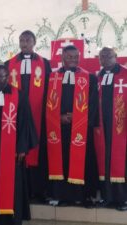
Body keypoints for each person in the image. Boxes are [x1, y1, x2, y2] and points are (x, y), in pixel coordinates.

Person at [0, 65, 37, 225]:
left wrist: (22, 148)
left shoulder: (19, 95)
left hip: (11, 148)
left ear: (8, 77)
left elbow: (25, 123)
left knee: (11, 182)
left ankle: (11, 217)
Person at [45, 45, 98, 207]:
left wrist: (78, 117)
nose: (74, 60)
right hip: (59, 127)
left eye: (76, 57)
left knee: (84, 161)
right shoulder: (52, 77)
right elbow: (47, 103)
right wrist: (59, 117)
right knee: (61, 160)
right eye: (70, 57)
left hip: (81, 127)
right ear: (62, 58)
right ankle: (62, 195)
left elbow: (94, 104)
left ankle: (85, 196)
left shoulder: (89, 77)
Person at [5, 30, 51, 200]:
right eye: (22, 40)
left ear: (34, 42)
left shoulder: (44, 63)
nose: (24, 43)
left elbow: (48, 89)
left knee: (37, 148)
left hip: (38, 111)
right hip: (16, 114)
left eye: (28, 40)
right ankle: (20, 190)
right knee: (18, 146)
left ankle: (37, 190)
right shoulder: (9, 63)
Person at [95, 47, 127, 211]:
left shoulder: (125, 74)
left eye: (108, 56)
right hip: (102, 126)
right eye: (102, 57)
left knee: (120, 162)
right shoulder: (98, 77)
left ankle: (122, 199)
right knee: (105, 161)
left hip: (121, 127)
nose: (105, 59)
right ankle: (107, 197)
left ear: (116, 57)